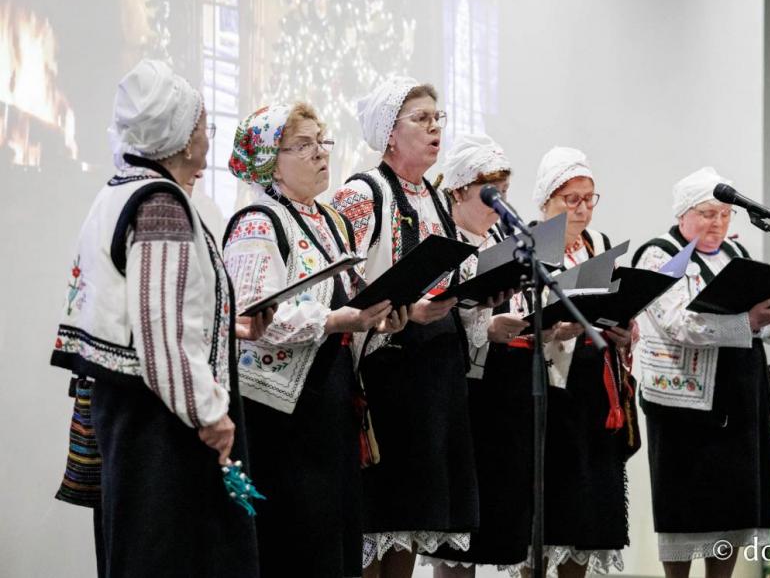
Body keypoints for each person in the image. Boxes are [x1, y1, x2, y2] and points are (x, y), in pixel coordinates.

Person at [50, 59, 272, 578]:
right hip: (161, 428)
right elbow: (160, 335)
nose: (207, 136)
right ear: (182, 137)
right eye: (203, 124)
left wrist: (228, 325)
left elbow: (140, 310)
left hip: (138, 414)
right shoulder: (161, 205)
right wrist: (209, 413)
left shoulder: (120, 190)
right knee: (173, 556)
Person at [223, 102, 407, 577]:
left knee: (333, 540)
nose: (321, 153)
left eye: (321, 141)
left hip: (330, 403)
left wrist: (378, 319)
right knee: (295, 543)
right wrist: (333, 321)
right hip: (280, 416)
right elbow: (249, 316)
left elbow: (347, 300)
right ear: (270, 162)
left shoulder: (329, 221)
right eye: (303, 145)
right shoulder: (258, 222)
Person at [331, 77, 487, 578]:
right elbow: (339, 275)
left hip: (433, 373)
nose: (435, 127)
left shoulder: (435, 198)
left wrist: (481, 290)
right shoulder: (362, 193)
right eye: (421, 118)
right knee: (378, 513)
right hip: (385, 371)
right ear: (390, 133)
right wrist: (400, 309)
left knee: (413, 516)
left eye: (438, 117)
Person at [631, 166, 770, 578]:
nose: (718, 222)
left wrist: (763, 314)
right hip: (683, 405)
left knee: (732, 508)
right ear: (683, 214)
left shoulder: (735, 254)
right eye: (707, 213)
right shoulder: (658, 255)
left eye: (724, 214)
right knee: (684, 507)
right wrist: (747, 322)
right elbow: (677, 323)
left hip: (738, 399)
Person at [418, 133, 532, 577]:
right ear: (459, 190)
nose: (499, 203)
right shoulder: (438, 238)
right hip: (455, 393)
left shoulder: (501, 238)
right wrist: (488, 327)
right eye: (490, 193)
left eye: (504, 192)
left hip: (499, 395)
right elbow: (432, 317)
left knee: (494, 526)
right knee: (456, 532)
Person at [521, 146, 637, 578]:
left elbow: (614, 307)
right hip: (546, 393)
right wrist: (554, 329)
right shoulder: (528, 246)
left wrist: (625, 332)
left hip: (593, 393)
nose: (584, 209)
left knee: (586, 516)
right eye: (572, 199)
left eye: (590, 199)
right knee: (544, 515)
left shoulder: (600, 245)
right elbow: (514, 319)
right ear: (546, 200)